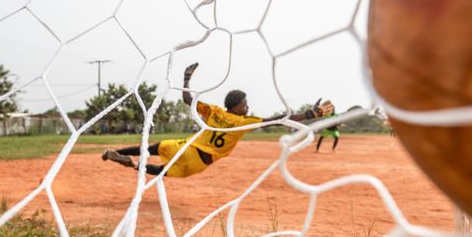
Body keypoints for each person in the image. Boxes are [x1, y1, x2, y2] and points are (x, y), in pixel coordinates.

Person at [102, 62, 332, 178]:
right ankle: (131, 164)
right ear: (238, 105)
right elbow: (279, 119)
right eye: (245, 103)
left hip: (186, 148)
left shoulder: (214, 112)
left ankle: (117, 152)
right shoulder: (245, 121)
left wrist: (186, 77)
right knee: (160, 171)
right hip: (200, 164)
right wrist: (311, 114)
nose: (248, 106)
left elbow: (186, 98)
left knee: (152, 147)